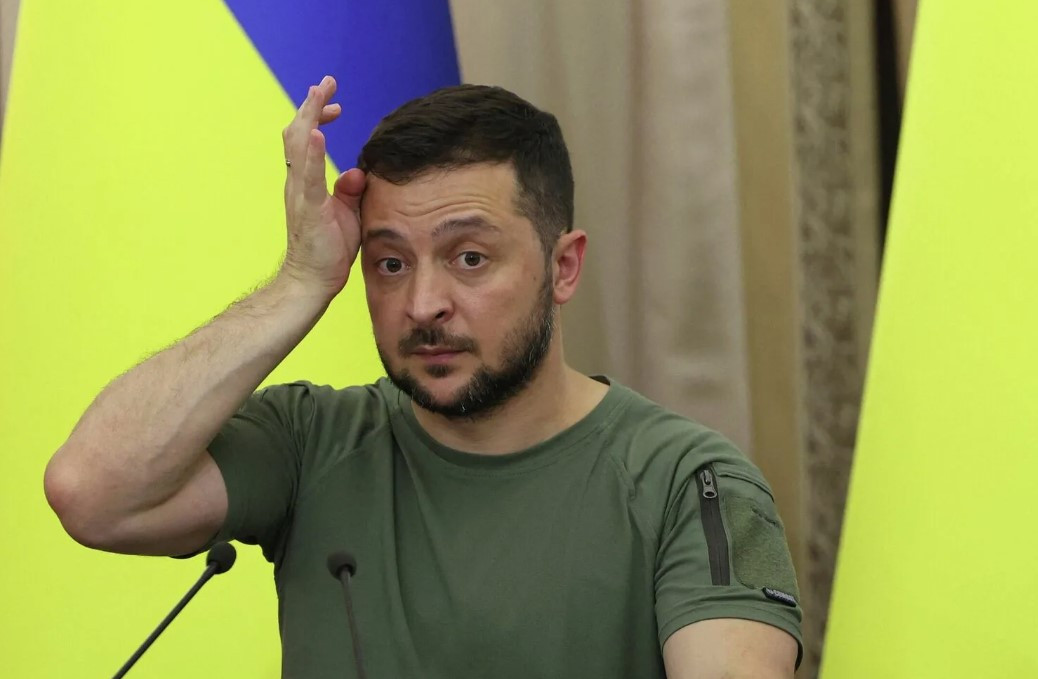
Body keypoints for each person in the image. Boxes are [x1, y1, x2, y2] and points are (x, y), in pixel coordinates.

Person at [45, 76, 803, 678]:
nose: (423, 303)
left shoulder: (691, 483)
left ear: (563, 267)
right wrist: (300, 281)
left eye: (469, 257)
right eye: (389, 263)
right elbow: (92, 492)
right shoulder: (313, 443)